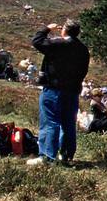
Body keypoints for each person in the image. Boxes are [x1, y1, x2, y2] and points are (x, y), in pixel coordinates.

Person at [28, 21, 89, 166]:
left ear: (65, 31)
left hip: (54, 89)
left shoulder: (59, 44)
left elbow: (37, 41)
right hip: (72, 90)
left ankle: (47, 156)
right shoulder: (83, 49)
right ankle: (66, 154)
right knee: (68, 123)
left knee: (50, 121)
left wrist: (47, 29)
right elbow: (83, 71)